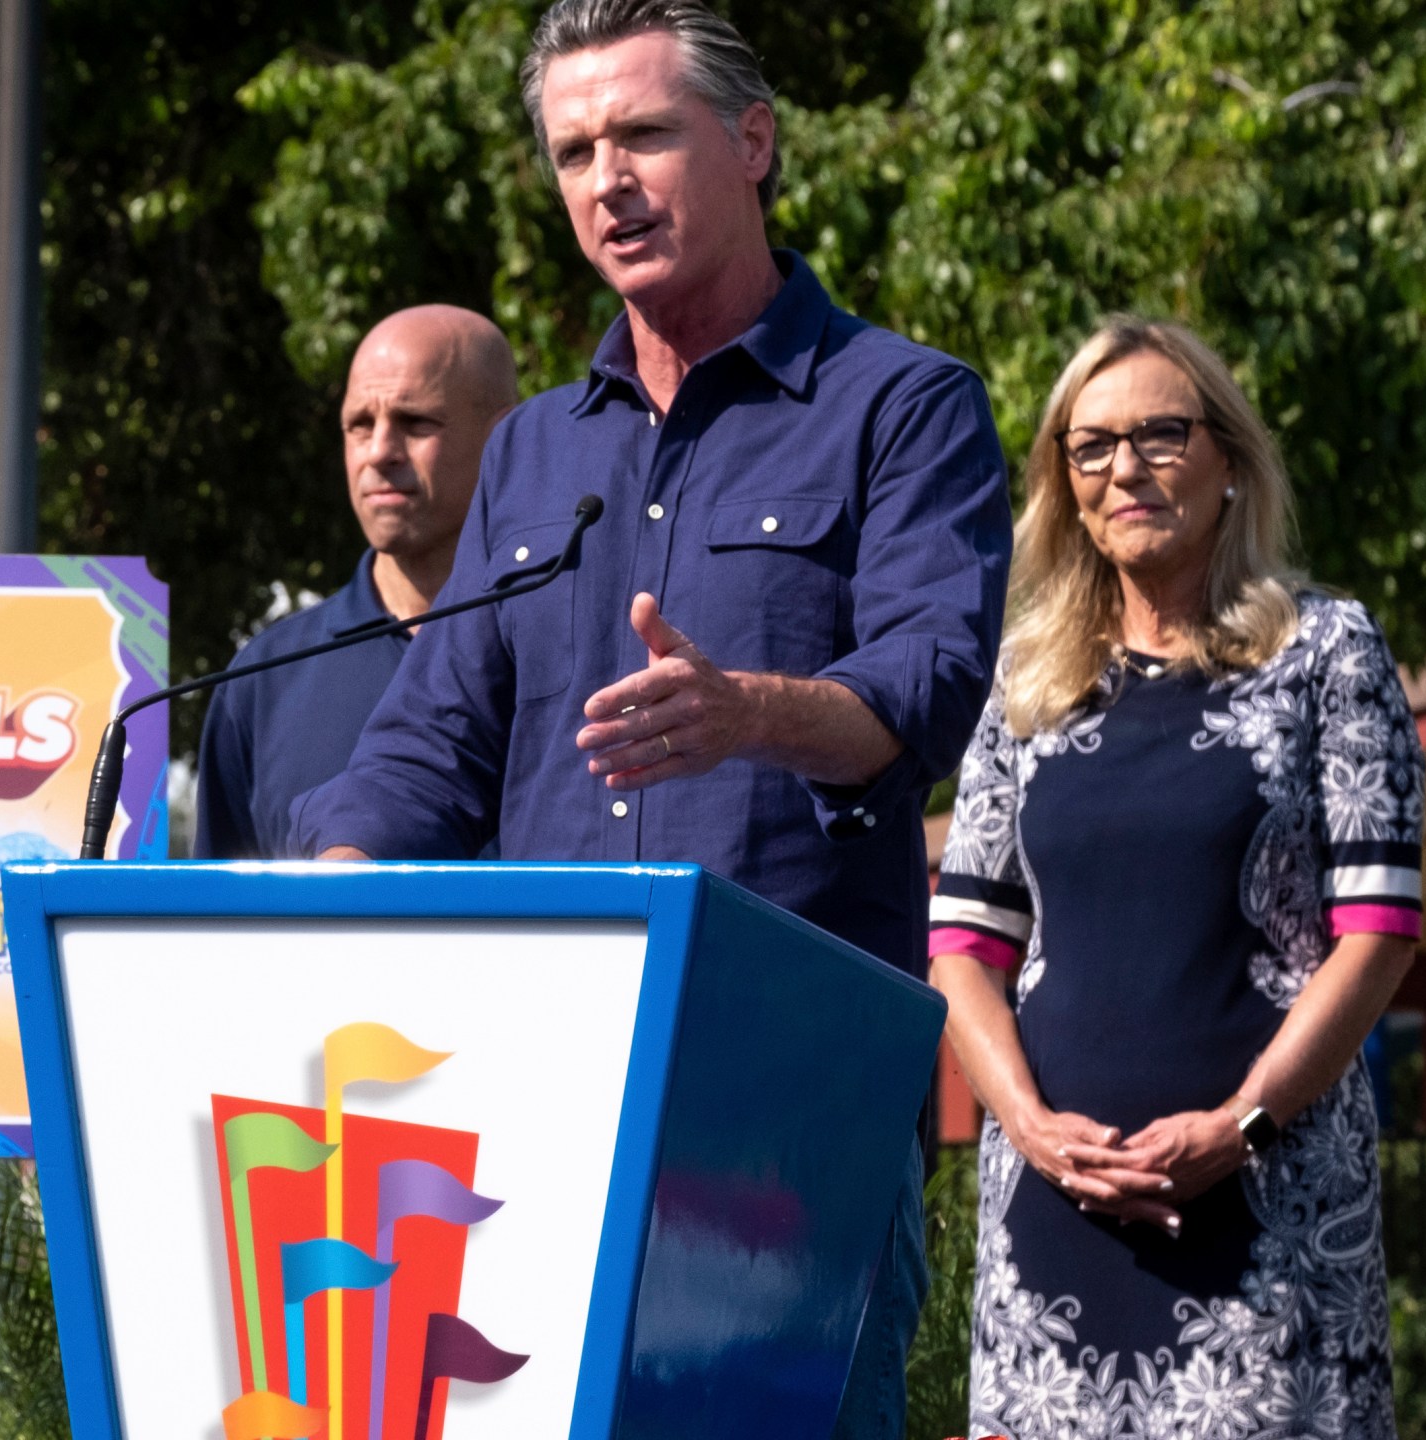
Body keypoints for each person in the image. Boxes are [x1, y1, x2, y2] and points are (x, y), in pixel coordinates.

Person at [290, 2, 1014, 1433]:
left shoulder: (903, 407)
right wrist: (333, 887)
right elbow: (437, 734)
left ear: (751, 142)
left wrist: (747, 711)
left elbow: (926, 683)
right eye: (573, 151)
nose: (605, 178)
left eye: (641, 134)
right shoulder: (535, 452)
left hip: (788, 1110)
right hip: (544, 1087)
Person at [928, 318, 1419, 1439]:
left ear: (1229, 462)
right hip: (1050, 1234)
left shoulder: (1328, 654)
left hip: (1267, 1229)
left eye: (1159, 433)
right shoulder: (1025, 682)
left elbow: (1379, 932)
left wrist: (1237, 1125)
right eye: (1089, 446)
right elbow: (962, 947)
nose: (1124, 470)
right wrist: (1033, 1127)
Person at [195, 305, 518, 859]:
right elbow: (222, 930)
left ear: (505, 436)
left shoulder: (567, 654)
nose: (379, 452)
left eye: (417, 422)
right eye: (359, 425)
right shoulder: (265, 680)